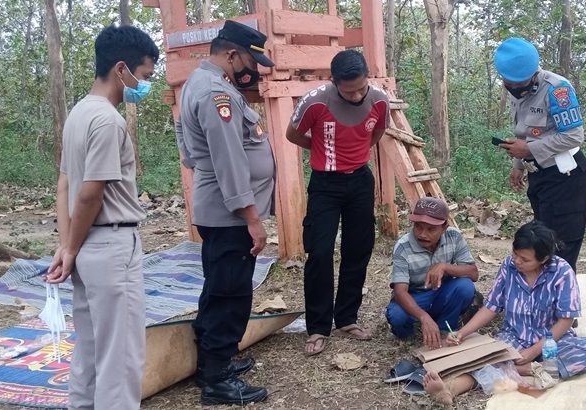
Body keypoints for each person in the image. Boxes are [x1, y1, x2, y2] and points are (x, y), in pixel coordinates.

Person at [44, 25, 158, 409]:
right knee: (121, 359)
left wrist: (67, 245)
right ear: (121, 69)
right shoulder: (108, 121)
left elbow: (64, 185)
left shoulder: (79, 113)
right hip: (111, 245)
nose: (143, 86)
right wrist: (70, 248)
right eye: (143, 77)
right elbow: (91, 192)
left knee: (90, 352)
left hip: (86, 247)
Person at [176, 20, 275, 405]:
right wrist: (252, 217)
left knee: (219, 286)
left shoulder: (197, 85)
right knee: (230, 292)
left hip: (219, 208)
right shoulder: (217, 92)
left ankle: (213, 363)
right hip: (228, 212)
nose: (253, 69)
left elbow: (188, 152)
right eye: (250, 60)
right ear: (232, 54)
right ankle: (216, 380)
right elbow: (230, 161)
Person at [423, 221, 586, 404]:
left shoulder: (562, 273)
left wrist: (534, 351)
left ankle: (527, 368)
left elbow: (565, 320)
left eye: (525, 259)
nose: (517, 261)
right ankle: (450, 390)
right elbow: (491, 307)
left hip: (553, 342)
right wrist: (462, 333)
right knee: (480, 358)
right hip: (513, 338)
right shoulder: (509, 266)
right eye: (515, 254)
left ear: (543, 259)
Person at [285, 50, 390, 355]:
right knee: (319, 251)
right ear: (334, 83)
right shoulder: (316, 101)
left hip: (360, 181)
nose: (357, 95)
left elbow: (378, 131)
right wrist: (321, 149)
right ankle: (318, 326)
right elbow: (293, 134)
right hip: (325, 184)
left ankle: (346, 317)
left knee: (359, 248)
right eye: (349, 90)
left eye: (361, 87)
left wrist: (355, 157)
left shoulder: (379, 100)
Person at [493, 37, 586, 272]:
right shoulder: (517, 92)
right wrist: (518, 163)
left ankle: (562, 300)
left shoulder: (557, 89)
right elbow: (523, 133)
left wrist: (529, 150)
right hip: (539, 175)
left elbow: (574, 136)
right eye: (509, 83)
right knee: (542, 240)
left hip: (565, 175)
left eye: (519, 84)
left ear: (533, 74)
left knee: (562, 242)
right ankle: (542, 293)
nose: (513, 88)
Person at [385, 197, 478, 348]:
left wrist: (445, 267)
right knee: (397, 316)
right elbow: (400, 291)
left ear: (444, 227)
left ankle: (444, 327)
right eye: (418, 227)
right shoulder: (403, 246)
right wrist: (423, 317)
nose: (422, 234)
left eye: (431, 229)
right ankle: (413, 330)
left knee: (465, 286)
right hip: (414, 296)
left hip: (442, 292)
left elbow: (473, 273)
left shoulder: (454, 237)